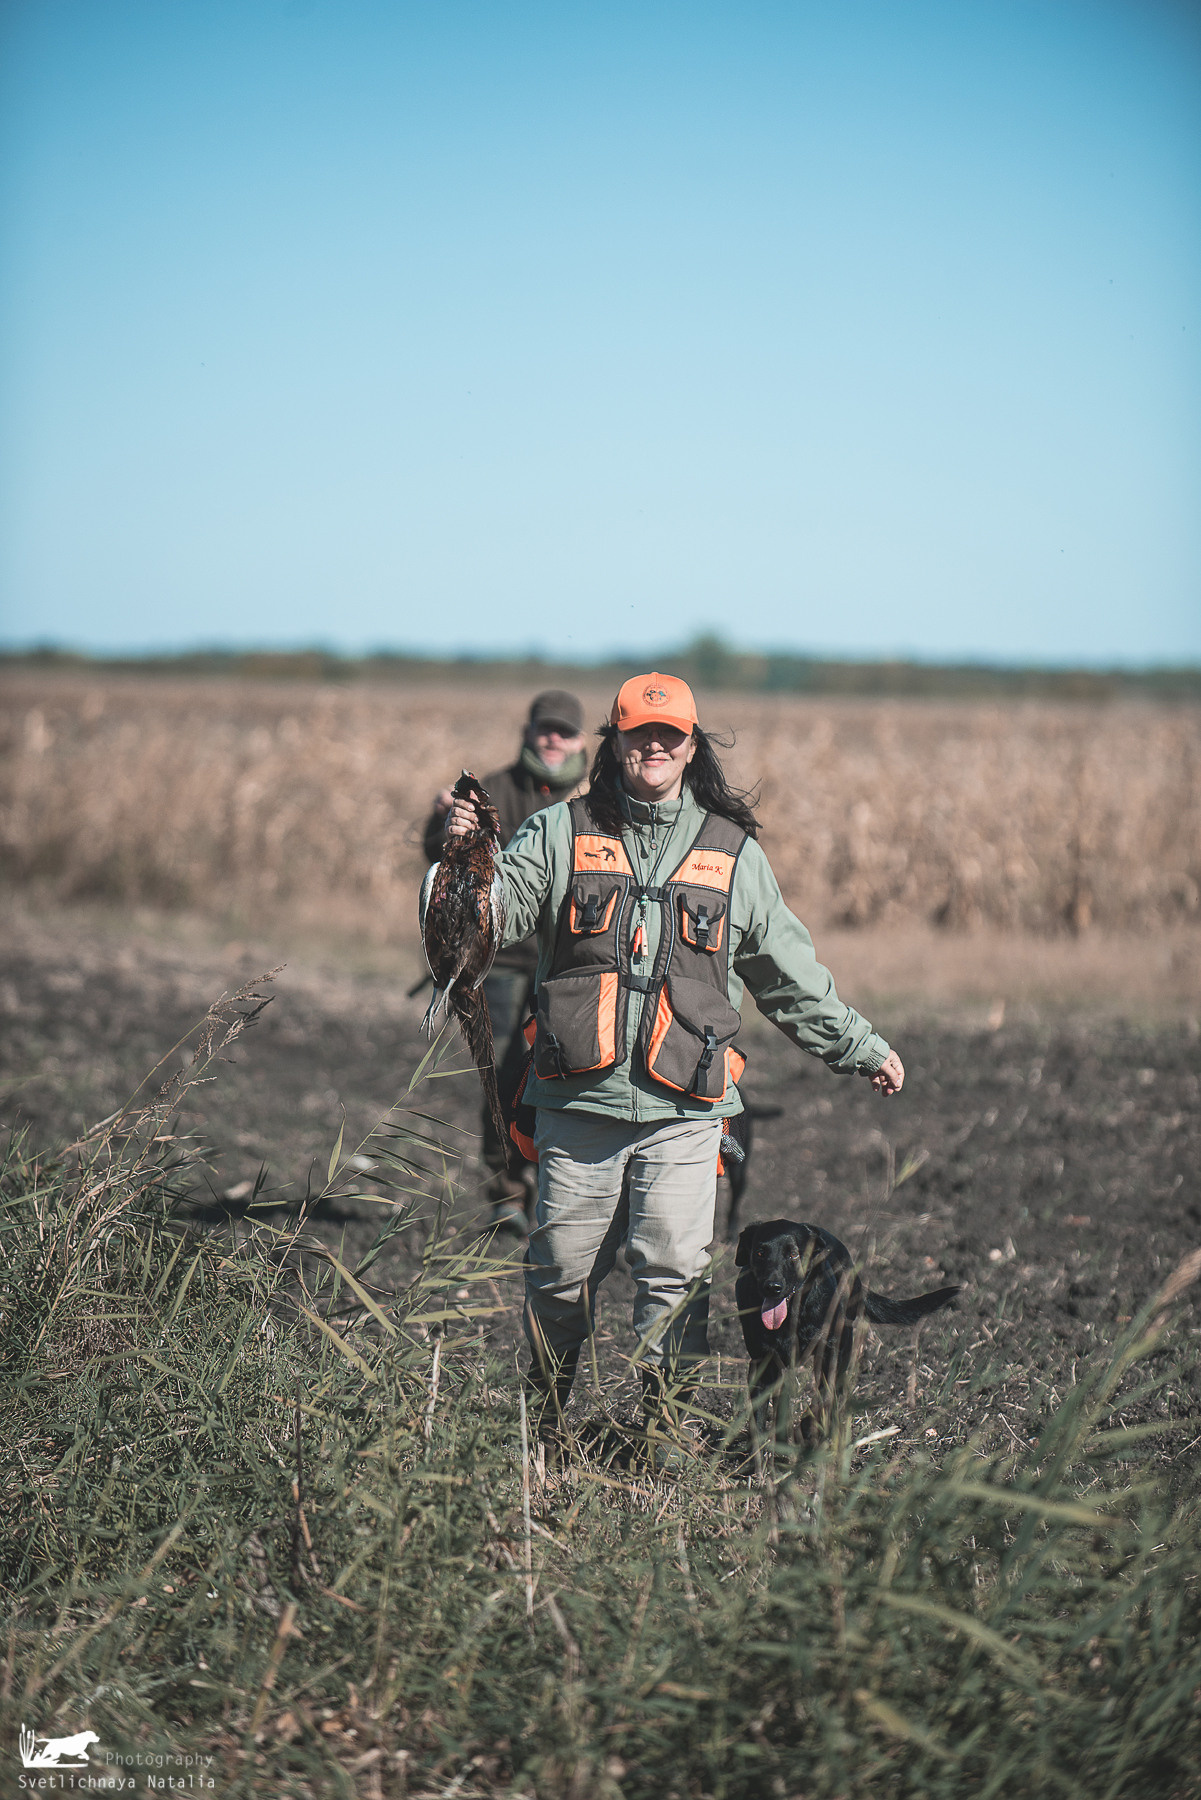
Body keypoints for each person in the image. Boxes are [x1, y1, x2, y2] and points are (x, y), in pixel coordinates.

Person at [444, 671, 905, 1458]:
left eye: (669, 735)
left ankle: (659, 1442)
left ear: (692, 747)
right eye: (637, 733)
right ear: (614, 743)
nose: (653, 747)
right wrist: (469, 856)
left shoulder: (731, 854)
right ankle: (546, 1431)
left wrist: (858, 1046)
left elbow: (786, 977)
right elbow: (493, 919)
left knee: (673, 1281)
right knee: (556, 1280)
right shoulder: (561, 830)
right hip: (575, 1101)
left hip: (685, 1111)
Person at [423, 689, 589, 1231]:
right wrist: (442, 820)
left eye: (565, 731)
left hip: (573, 963)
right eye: (546, 729)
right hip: (500, 961)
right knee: (498, 1070)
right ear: (528, 731)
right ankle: (507, 1192)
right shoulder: (489, 790)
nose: (554, 740)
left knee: (566, 1070)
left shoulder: (600, 798)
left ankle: (561, 1188)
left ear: (581, 740)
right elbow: (441, 856)